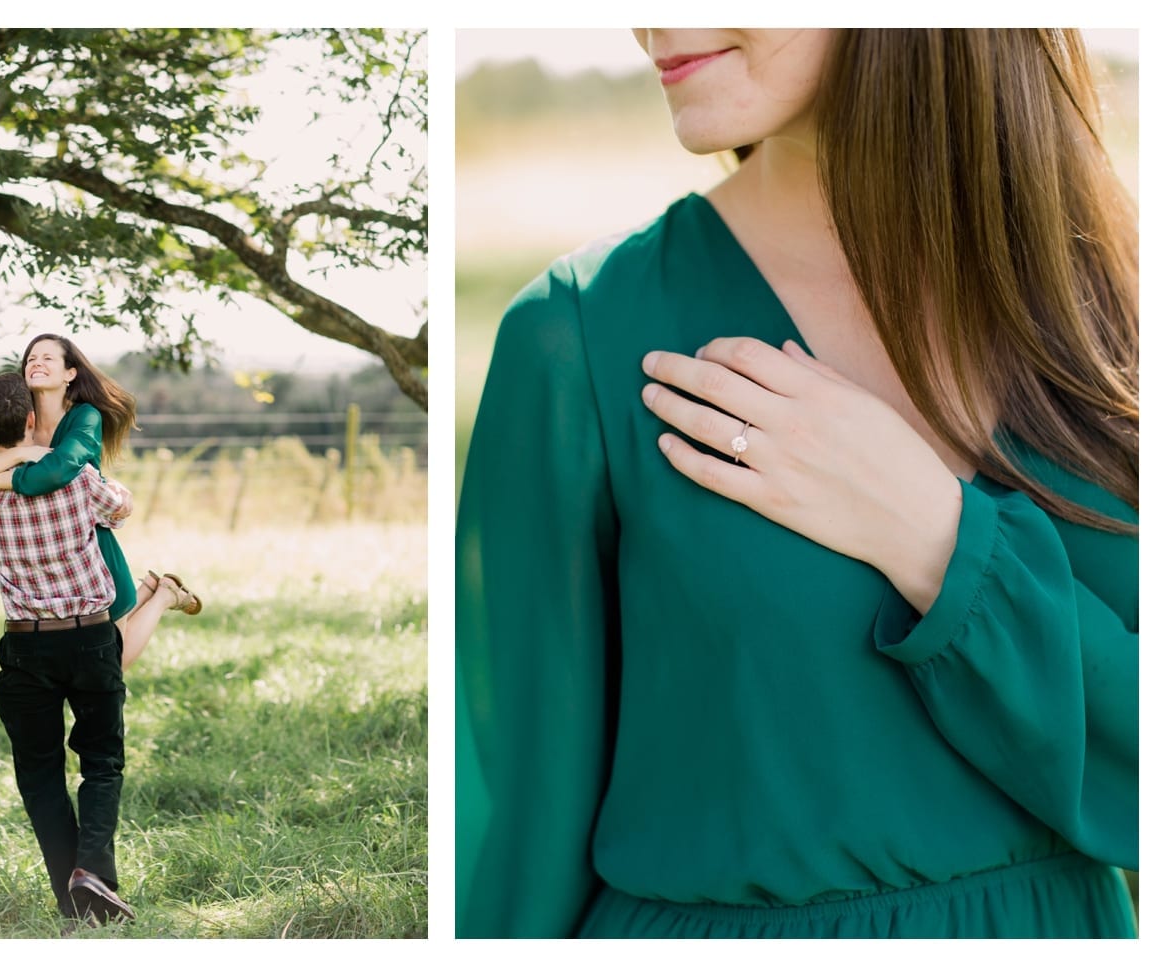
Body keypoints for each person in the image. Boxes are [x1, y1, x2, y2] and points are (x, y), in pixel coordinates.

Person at [456, 29, 1138, 939]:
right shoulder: (580, 334)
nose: (651, 20)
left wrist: (939, 541)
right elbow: (518, 833)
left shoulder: (1119, 312)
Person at [0, 372, 141, 929]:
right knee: (101, 762)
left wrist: (6, 468)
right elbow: (121, 507)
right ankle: (92, 872)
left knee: (39, 776)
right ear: (34, 420)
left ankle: (74, 903)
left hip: (25, 646)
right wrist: (56, 454)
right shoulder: (76, 479)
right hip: (88, 636)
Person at [0, 333, 201, 670]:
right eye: (31, 359)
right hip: (43, 552)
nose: (36, 363)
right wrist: (25, 451)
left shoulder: (84, 417)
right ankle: (150, 589)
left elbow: (57, 471)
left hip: (90, 547)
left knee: (113, 660)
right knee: (100, 650)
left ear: (70, 373)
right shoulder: (16, 419)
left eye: (47, 358)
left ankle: (163, 596)